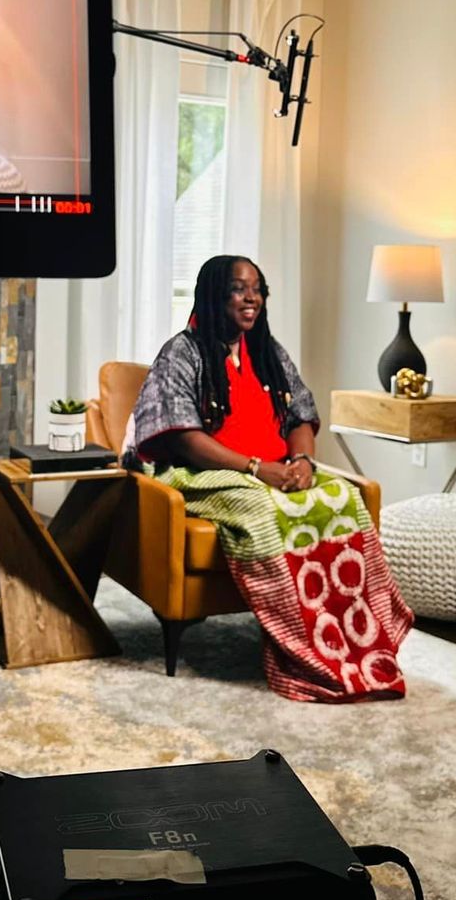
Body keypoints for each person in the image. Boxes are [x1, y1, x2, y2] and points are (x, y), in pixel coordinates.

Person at [129, 254, 413, 703]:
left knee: (345, 497)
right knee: (264, 509)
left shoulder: (267, 351)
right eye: (238, 289)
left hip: (276, 466)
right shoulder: (181, 352)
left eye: (257, 289)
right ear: (213, 294)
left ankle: (360, 639)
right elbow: (184, 439)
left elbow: (300, 415)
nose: (252, 298)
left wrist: (302, 462)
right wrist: (257, 470)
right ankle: (307, 651)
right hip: (203, 473)